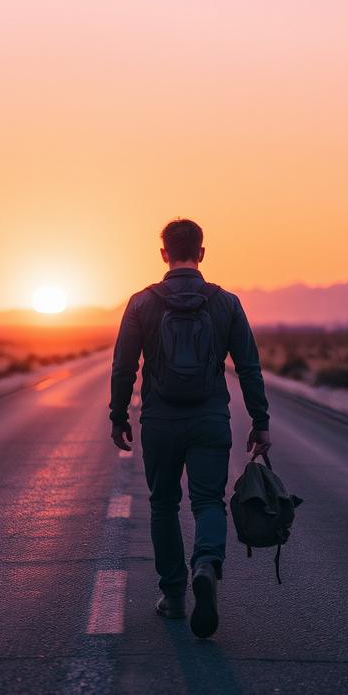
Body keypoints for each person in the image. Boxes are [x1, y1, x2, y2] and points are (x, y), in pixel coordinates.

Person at [109, 218, 271, 638]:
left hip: (160, 421)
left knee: (163, 505)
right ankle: (205, 564)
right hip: (210, 419)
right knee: (208, 503)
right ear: (202, 252)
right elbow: (249, 368)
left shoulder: (142, 303)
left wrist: (118, 415)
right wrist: (260, 422)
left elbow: (124, 367)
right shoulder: (226, 303)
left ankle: (175, 597)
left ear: (164, 253)